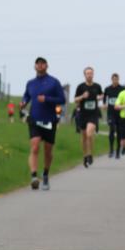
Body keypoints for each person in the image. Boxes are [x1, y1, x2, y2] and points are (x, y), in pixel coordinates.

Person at [19, 57, 66, 191]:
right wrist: (23, 102)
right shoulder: (30, 83)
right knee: (34, 147)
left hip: (50, 120)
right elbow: (27, 96)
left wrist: (46, 99)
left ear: (47, 66)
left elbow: (62, 99)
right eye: (37, 64)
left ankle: (45, 174)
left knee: (47, 150)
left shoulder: (54, 82)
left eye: (42, 63)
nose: (40, 66)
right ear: (35, 66)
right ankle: (34, 177)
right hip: (34, 118)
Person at [73, 67, 103, 168]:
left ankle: (90, 154)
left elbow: (102, 95)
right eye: (87, 73)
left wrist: (100, 97)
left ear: (93, 74)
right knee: (84, 137)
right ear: (84, 75)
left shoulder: (97, 86)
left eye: (91, 73)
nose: (89, 75)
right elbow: (75, 100)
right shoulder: (80, 87)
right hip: (83, 114)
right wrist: (82, 97)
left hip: (93, 114)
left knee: (89, 134)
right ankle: (85, 155)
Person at [103, 73, 125, 159]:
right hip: (111, 113)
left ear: (118, 79)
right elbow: (105, 97)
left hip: (120, 113)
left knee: (119, 132)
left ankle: (118, 151)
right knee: (112, 129)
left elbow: (124, 98)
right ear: (111, 80)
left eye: (116, 79)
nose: (115, 81)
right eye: (114, 79)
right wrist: (104, 104)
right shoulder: (107, 89)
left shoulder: (122, 89)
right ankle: (111, 149)